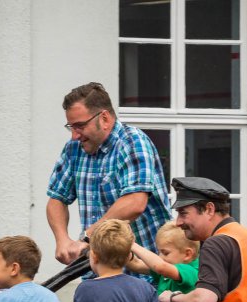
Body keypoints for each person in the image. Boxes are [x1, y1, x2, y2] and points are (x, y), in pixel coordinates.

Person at [46, 82, 171, 266]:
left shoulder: (133, 142)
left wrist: (88, 237)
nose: (74, 135)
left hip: (146, 272)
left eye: (80, 126)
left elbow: (135, 203)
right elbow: (56, 199)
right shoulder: (74, 149)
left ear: (104, 118)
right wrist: (62, 240)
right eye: (71, 127)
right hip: (97, 269)